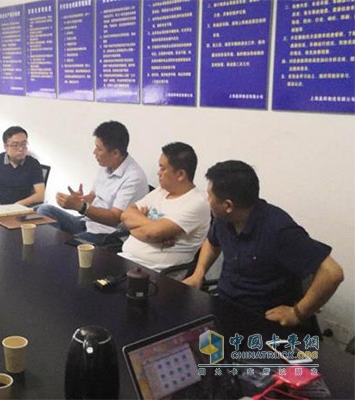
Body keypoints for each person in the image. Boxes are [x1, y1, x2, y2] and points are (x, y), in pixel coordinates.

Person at [183, 160, 344, 328]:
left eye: (210, 196)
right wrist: (198, 273)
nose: (207, 200)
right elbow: (212, 243)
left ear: (228, 205)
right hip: (224, 305)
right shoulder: (223, 218)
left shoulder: (279, 229)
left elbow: (332, 273)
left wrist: (297, 313)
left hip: (261, 317)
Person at [37, 121, 148, 245]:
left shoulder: (134, 178)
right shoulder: (107, 166)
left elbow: (115, 218)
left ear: (115, 153)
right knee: (44, 210)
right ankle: (53, 246)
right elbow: (93, 196)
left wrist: (81, 207)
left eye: (99, 149)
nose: (94, 152)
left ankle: (55, 247)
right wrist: (79, 200)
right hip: (88, 223)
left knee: (67, 243)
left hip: (108, 234)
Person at [120, 142, 210, 272]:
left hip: (155, 273)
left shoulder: (198, 202)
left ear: (180, 174)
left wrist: (137, 227)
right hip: (125, 259)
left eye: (162, 168)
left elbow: (152, 233)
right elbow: (126, 215)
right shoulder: (161, 191)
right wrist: (152, 230)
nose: (158, 173)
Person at [0, 126, 45, 206]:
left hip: (22, 208)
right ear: (6, 147)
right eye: (15, 145)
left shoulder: (33, 164)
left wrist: (16, 205)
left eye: (24, 144)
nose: (21, 149)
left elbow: (40, 195)